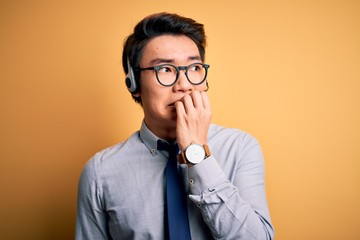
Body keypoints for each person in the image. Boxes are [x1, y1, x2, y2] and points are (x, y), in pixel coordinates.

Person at [76, 12, 274, 240]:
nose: (184, 85)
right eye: (165, 69)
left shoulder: (240, 148)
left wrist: (197, 153)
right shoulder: (100, 173)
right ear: (133, 82)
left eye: (194, 68)